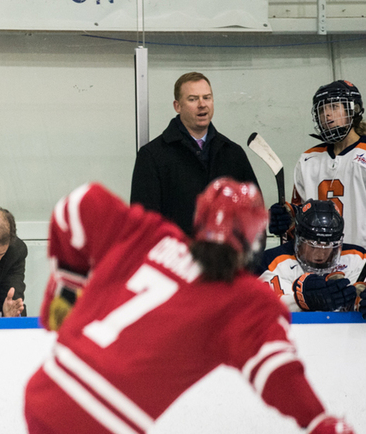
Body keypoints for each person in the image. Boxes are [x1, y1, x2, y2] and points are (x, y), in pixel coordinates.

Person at [24, 178, 366, 434]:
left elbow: (81, 203)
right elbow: (277, 370)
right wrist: (322, 427)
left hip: (49, 387)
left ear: (199, 220)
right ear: (253, 238)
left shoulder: (154, 235)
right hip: (92, 424)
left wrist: (69, 288)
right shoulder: (241, 298)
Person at [130, 71, 259, 236]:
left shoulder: (233, 154)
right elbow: (143, 224)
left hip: (225, 260)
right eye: (193, 99)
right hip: (177, 259)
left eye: (207, 97)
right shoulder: (152, 156)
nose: (202, 104)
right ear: (177, 106)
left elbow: (253, 214)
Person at [270, 80, 366, 247]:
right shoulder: (308, 159)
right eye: (321, 109)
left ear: (353, 110)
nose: (327, 114)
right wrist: (287, 217)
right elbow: (300, 213)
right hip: (319, 263)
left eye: (334, 107)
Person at [260, 199, 366, 312]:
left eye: (328, 246)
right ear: (298, 239)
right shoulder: (272, 262)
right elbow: (262, 307)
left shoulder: (357, 259)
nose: (320, 254)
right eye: (312, 245)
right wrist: (299, 301)